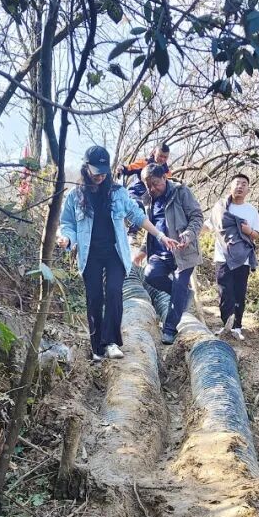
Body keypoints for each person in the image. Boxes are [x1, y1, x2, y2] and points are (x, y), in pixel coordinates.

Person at [58, 145, 179, 361]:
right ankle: (97, 348)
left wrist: (160, 236)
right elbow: (67, 223)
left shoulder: (117, 193)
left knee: (114, 292)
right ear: (86, 168)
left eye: (104, 171)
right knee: (94, 298)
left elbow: (137, 215)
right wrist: (67, 238)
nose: (100, 176)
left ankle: (111, 342)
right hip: (90, 254)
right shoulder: (75, 196)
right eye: (96, 171)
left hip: (115, 252)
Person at [136, 163, 204, 345]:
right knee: (151, 275)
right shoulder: (148, 199)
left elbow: (197, 216)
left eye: (155, 184)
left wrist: (188, 234)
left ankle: (169, 329)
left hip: (183, 251)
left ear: (165, 178)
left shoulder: (181, 192)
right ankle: (183, 294)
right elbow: (151, 227)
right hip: (159, 252)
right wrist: (143, 250)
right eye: (148, 185)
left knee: (179, 286)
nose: (152, 189)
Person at [210, 173, 259, 340]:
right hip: (222, 256)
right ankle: (226, 324)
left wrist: (248, 231)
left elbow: (257, 234)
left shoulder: (251, 211)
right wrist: (191, 235)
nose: (240, 186)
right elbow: (209, 225)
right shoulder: (220, 208)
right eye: (237, 183)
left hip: (242, 258)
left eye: (244, 184)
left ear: (248, 190)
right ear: (231, 186)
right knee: (224, 292)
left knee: (239, 292)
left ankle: (237, 326)